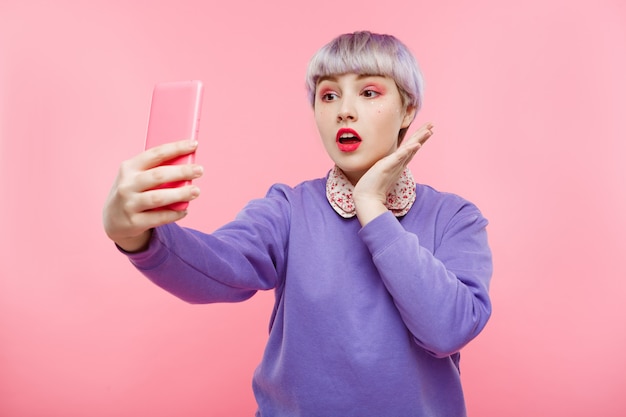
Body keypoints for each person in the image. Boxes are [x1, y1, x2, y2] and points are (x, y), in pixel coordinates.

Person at [103, 31, 493, 417]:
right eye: (328, 95)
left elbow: (448, 331)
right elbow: (217, 267)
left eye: (369, 92)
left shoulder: (456, 218)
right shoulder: (288, 209)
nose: (344, 109)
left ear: (408, 109)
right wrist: (137, 235)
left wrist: (372, 208)